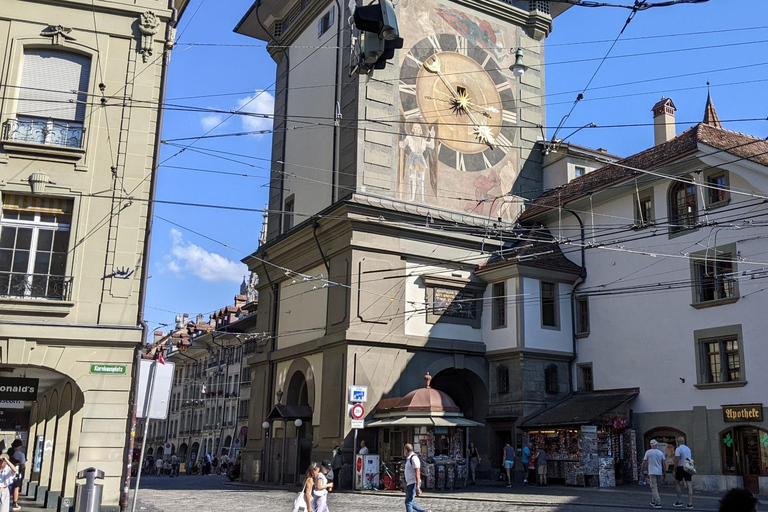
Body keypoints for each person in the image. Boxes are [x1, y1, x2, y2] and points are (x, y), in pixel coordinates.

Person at [642, 439, 667, 509]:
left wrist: (642, 468)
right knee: (655, 487)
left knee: (653, 487)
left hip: (652, 471)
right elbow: (664, 463)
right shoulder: (660, 453)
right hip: (659, 472)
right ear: (656, 445)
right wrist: (664, 472)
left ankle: (658, 502)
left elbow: (644, 461)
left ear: (651, 445)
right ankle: (653, 500)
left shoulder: (648, 452)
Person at [403, 444, 428, 512]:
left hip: (413, 483)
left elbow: (417, 472)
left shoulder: (413, 458)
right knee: (409, 501)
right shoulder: (409, 458)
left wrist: (417, 487)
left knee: (408, 502)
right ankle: (423, 511)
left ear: (406, 450)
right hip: (410, 483)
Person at [674, 436, 693, 509]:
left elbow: (677, 459)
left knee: (677, 483)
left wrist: (674, 469)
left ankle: (679, 501)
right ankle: (690, 502)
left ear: (677, 442)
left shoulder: (678, 449)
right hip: (688, 466)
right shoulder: (688, 449)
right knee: (689, 483)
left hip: (681, 466)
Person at [7, 440, 26, 511]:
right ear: (20, 446)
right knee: (16, 487)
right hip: (16, 473)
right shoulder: (20, 454)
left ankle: (5, 501)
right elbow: (23, 464)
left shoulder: (9, 451)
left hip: (8, 471)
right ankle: (14, 503)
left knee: (7, 486)